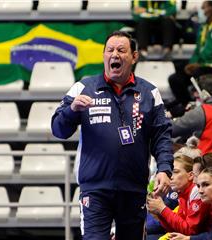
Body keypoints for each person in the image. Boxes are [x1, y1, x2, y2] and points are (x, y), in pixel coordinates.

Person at [51, 31, 173, 240]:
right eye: (110, 50)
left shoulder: (149, 92)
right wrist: (71, 110)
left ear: (134, 57)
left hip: (133, 189)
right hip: (95, 190)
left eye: (121, 50)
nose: (114, 54)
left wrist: (164, 168)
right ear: (104, 56)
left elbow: (162, 134)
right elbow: (58, 129)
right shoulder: (84, 88)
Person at [168, 1, 212, 108]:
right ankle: (188, 105)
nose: (201, 11)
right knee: (175, 78)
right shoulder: (203, 27)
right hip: (201, 67)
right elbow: (198, 51)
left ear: (211, 9)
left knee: (199, 72)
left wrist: (205, 65)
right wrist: (191, 64)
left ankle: (207, 107)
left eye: (203, 8)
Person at [147, 155, 212, 235]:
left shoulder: (197, 192)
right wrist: (159, 212)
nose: (170, 177)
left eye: (175, 172)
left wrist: (162, 209)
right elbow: (174, 229)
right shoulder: (182, 194)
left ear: (191, 175)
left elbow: (190, 231)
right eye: (170, 173)